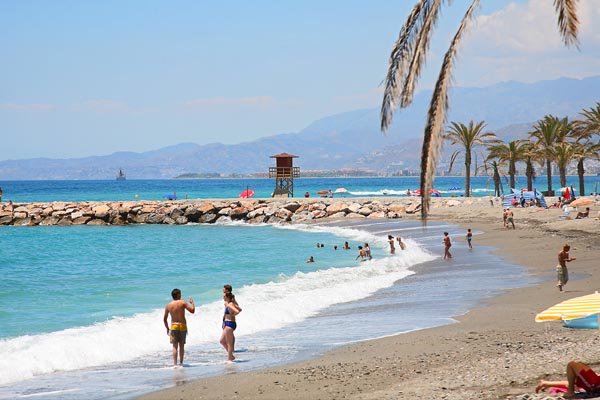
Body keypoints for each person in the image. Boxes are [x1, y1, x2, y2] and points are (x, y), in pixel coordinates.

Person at [163, 288, 195, 366]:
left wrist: (167, 328)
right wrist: (192, 303)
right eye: (180, 294)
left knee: (174, 346)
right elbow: (192, 310)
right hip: (182, 326)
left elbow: (164, 319)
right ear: (178, 295)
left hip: (174, 326)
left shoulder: (168, 305)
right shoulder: (183, 303)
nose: (181, 295)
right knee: (181, 346)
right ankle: (181, 363)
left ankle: (175, 364)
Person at [536, 361, 600, 398]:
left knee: (572, 365)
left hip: (595, 386)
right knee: (573, 380)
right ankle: (547, 383)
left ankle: (570, 392)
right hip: (596, 385)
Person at [220, 292, 241, 361]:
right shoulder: (228, 304)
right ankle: (231, 355)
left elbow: (237, 311)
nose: (223, 298)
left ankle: (230, 358)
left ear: (228, 297)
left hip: (230, 324)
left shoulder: (230, 304)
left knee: (229, 342)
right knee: (222, 341)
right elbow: (240, 309)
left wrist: (232, 315)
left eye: (224, 296)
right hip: (227, 323)